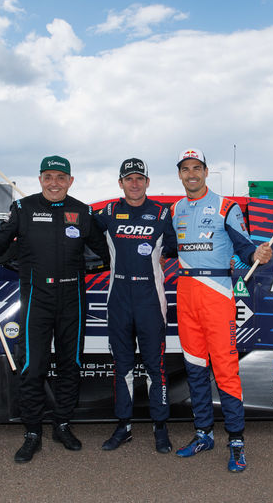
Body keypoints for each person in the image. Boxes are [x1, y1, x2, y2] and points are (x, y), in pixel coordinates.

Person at [0, 155, 110, 463]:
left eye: (61, 177)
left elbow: (104, 252)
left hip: (73, 296)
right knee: (32, 366)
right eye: (48, 176)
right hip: (37, 296)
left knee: (70, 365)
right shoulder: (23, 209)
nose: (54, 183)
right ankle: (32, 431)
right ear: (40, 179)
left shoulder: (83, 212)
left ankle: (62, 423)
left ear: (70, 181)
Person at [170, 148, 272, 473]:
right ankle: (203, 434)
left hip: (216, 294)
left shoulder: (226, 206)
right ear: (180, 174)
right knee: (195, 369)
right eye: (185, 169)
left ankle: (236, 442)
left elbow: (243, 247)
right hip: (185, 295)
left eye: (196, 167)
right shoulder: (175, 210)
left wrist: (258, 252)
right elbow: (168, 248)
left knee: (225, 371)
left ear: (206, 171)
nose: (191, 174)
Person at [94, 158, 178, 454]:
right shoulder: (107, 213)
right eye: (129, 178)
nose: (134, 183)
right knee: (122, 367)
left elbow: (180, 247)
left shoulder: (161, 213)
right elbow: (81, 237)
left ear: (147, 182)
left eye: (139, 178)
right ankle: (124, 426)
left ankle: (160, 427)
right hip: (118, 298)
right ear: (120, 183)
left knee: (156, 367)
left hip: (149, 300)